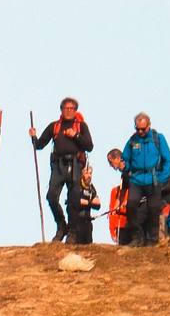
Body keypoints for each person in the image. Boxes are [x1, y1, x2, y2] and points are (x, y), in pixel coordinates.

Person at [29, 97, 94, 242]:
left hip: (76, 165)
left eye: (72, 108)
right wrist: (33, 137)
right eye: (66, 108)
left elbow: (89, 146)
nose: (69, 111)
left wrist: (75, 135)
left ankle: (72, 232)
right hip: (58, 166)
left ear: (76, 110)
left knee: (74, 199)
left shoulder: (81, 126)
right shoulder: (55, 126)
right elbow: (39, 145)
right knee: (51, 196)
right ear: (61, 109)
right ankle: (61, 225)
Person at [119, 112, 170, 246]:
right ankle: (137, 237)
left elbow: (168, 160)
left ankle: (152, 240)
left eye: (143, 128)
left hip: (153, 179)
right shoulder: (132, 140)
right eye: (137, 129)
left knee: (154, 209)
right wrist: (124, 167)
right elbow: (126, 159)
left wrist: (162, 179)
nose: (140, 131)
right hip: (136, 180)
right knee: (131, 206)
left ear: (149, 125)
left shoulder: (158, 138)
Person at [70, 164, 101, 244]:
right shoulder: (76, 187)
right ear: (81, 174)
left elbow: (98, 205)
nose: (89, 176)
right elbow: (77, 202)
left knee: (88, 248)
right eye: (87, 173)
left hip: (87, 222)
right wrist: (91, 202)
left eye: (90, 173)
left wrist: (87, 202)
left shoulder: (91, 188)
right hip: (76, 223)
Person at [105, 149, 130, 245]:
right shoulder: (124, 174)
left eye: (110, 162)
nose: (110, 165)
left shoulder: (130, 168)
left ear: (118, 158)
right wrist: (113, 210)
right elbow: (121, 194)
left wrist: (127, 201)